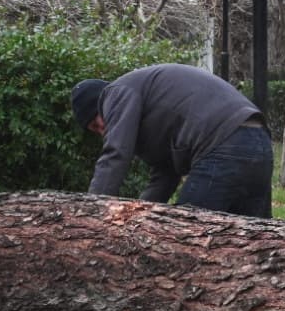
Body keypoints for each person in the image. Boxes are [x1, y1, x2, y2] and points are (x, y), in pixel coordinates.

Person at [70, 63, 273, 217]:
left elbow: (115, 155)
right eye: (94, 130)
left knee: (188, 238)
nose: (102, 131)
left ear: (101, 104)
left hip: (224, 143)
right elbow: (165, 174)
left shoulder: (116, 92)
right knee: (254, 246)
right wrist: (141, 214)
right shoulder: (152, 108)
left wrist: (93, 211)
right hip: (258, 141)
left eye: (97, 123)